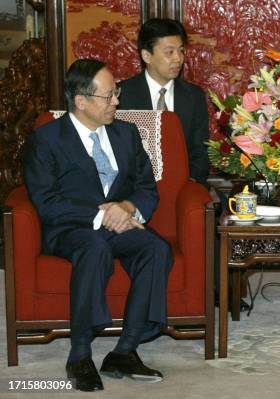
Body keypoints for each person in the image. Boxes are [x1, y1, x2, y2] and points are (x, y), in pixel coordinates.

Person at [24, 59, 173, 392]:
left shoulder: (126, 133)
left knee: (155, 248)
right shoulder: (47, 140)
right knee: (94, 247)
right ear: (81, 101)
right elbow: (47, 202)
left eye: (116, 93)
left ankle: (125, 349)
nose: (117, 102)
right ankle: (79, 354)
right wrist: (101, 214)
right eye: (108, 96)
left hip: (119, 222)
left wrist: (127, 207)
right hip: (71, 228)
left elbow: (147, 187)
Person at [119, 18, 209, 185]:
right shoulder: (121, 96)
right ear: (147, 55)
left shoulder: (194, 96)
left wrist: (189, 182)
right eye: (169, 52)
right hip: (134, 188)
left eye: (181, 51)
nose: (178, 59)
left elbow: (201, 151)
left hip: (183, 186)